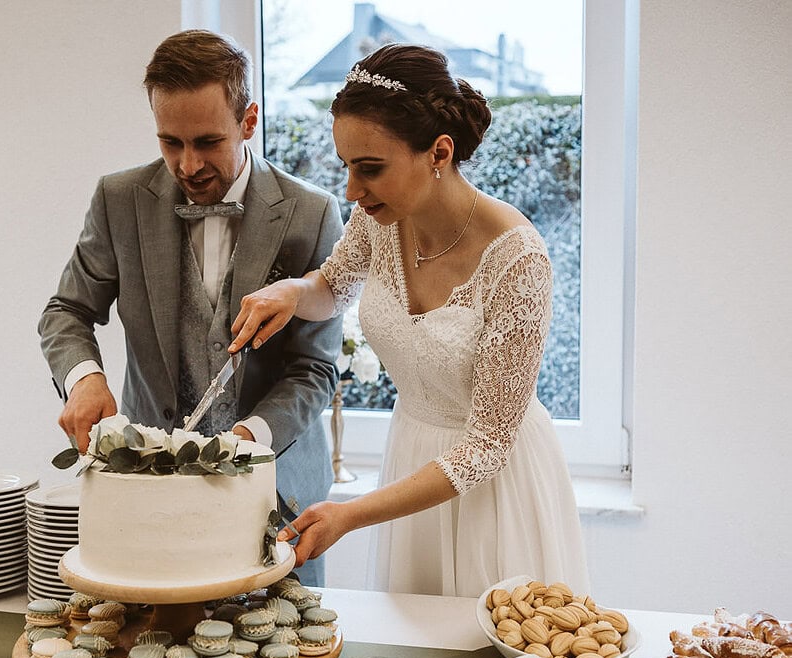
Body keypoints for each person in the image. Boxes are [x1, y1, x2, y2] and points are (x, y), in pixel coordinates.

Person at [229, 44, 590, 598]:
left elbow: (488, 445)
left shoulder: (518, 259)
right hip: (412, 458)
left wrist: (352, 513)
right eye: (347, 167)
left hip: (495, 485)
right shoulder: (378, 220)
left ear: (439, 152)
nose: (352, 191)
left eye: (370, 169)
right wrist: (291, 292)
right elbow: (332, 287)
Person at [39, 30, 344, 587]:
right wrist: (83, 378)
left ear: (249, 121)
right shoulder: (118, 199)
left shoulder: (311, 214)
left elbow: (316, 368)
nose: (188, 163)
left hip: (280, 499)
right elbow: (66, 310)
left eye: (207, 141)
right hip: (148, 496)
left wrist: (248, 439)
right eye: (170, 142)